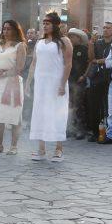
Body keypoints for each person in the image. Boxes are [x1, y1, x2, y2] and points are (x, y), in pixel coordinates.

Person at [26, 12, 73, 161]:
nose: (45, 25)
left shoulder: (64, 41)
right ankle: (41, 149)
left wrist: (62, 84)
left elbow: (68, 63)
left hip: (56, 83)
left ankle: (58, 149)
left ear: (56, 25)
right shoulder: (39, 43)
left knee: (57, 113)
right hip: (41, 84)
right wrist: (28, 83)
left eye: (48, 23)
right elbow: (34, 63)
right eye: (44, 23)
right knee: (41, 113)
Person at [0, 20, 27, 154]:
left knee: (14, 114)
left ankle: (14, 146)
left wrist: (4, 73)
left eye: (9, 29)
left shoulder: (20, 46)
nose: (6, 31)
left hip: (12, 81)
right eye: (4, 29)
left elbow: (20, 66)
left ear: (15, 30)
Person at [83, 20, 112, 142]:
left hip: (110, 78)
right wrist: (91, 43)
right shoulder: (98, 43)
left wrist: (99, 60)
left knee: (110, 107)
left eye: (108, 28)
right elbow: (91, 58)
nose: (105, 29)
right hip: (97, 78)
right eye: (104, 27)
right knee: (94, 106)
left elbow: (110, 60)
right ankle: (95, 132)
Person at [67, 28, 89, 140]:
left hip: (79, 82)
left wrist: (84, 75)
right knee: (69, 106)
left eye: (72, 36)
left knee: (78, 106)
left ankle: (80, 129)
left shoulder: (84, 49)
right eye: (69, 36)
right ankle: (70, 128)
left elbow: (89, 64)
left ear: (78, 38)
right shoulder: (68, 49)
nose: (70, 38)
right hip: (69, 80)